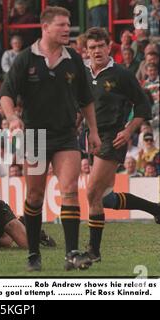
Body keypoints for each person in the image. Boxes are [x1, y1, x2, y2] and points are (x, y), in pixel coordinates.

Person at [0, 7, 101, 271]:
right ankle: (33, 253)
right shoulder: (25, 59)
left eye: (69, 24)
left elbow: (87, 99)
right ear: (45, 28)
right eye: (62, 25)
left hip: (66, 135)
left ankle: (72, 253)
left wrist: (93, 131)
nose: (68, 28)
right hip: (35, 136)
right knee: (34, 196)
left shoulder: (74, 59)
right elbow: (6, 94)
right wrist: (12, 118)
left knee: (69, 189)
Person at [83, 27, 160, 263]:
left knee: (92, 192)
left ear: (109, 47)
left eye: (100, 46)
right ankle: (156, 209)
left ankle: (93, 252)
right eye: (92, 47)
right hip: (93, 138)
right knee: (104, 198)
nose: (96, 51)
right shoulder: (82, 74)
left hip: (113, 138)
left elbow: (144, 106)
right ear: (86, 50)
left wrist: (128, 131)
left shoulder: (122, 74)